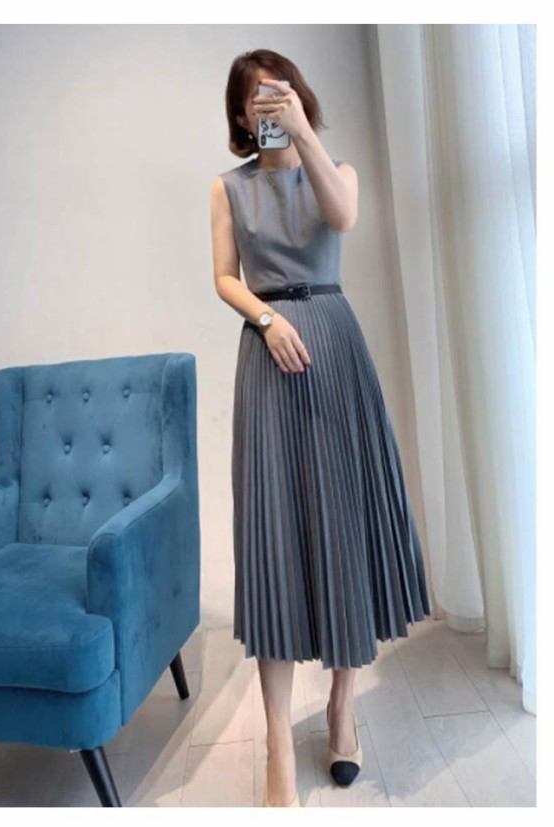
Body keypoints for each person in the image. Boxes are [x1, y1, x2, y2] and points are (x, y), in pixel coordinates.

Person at [210, 49, 432, 808]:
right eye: (256, 99)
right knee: (273, 535)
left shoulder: (338, 171)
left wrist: (303, 135)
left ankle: (342, 706)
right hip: (269, 353)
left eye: (281, 93)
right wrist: (266, 320)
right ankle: (278, 740)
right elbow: (224, 275)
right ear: (239, 116)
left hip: (335, 345)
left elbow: (343, 217)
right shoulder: (227, 186)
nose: (269, 107)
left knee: (343, 526)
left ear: (300, 97)